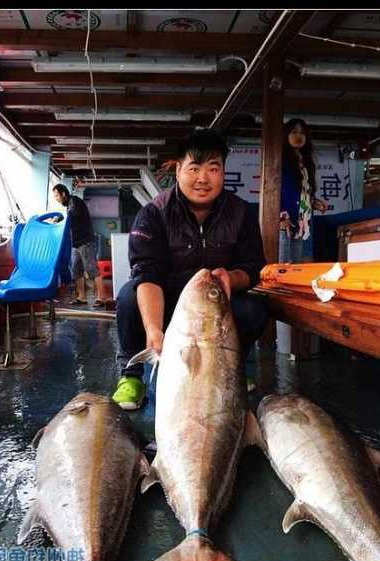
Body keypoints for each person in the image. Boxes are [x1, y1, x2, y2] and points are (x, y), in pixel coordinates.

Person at [112, 128, 268, 410]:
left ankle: (230, 371)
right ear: (178, 168)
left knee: (254, 308)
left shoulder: (241, 212)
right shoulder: (153, 213)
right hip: (169, 298)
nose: (203, 178)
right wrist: (153, 328)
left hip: (215, 302)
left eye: (213, 168)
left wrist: (230, 278)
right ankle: (131, 375)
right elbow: (147, 274)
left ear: (223, 172)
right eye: (194, 168)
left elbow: (253, 267)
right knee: (128, 299)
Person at [279, 118, 328, 263]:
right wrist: (279, 217)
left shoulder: (305, 163)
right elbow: (273, 190)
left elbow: (301, 193)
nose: (299, 136)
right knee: (281, 267)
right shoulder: (279, 159)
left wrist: (313, 202)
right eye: (294, 132)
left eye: (302, 133)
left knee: (295, 267)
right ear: (286, 135)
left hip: (300, 223)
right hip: (283, 222)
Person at [52, 183, 105, 308]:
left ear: (63, 194)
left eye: (57, 195)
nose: (56, 199)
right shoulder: (69, 205)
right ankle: (81, 297)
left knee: (92, 269)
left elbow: (72, 216)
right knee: (76, 271)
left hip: (85, 242)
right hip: (75, 244)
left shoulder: (74, 201)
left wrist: (59, 219)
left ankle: (101, 298)